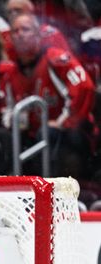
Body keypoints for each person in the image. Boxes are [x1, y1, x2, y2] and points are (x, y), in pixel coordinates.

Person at [9, 13, 95, 181]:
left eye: (25, 29)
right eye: (15, 31)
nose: (19, 34)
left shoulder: (55, 59)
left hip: (75, 132)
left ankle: (53, 194)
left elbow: (85, 87)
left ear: (38, 34)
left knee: (47, 133)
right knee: (9, 138)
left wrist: (64, 122)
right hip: (35, 133)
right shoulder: (11, 72)